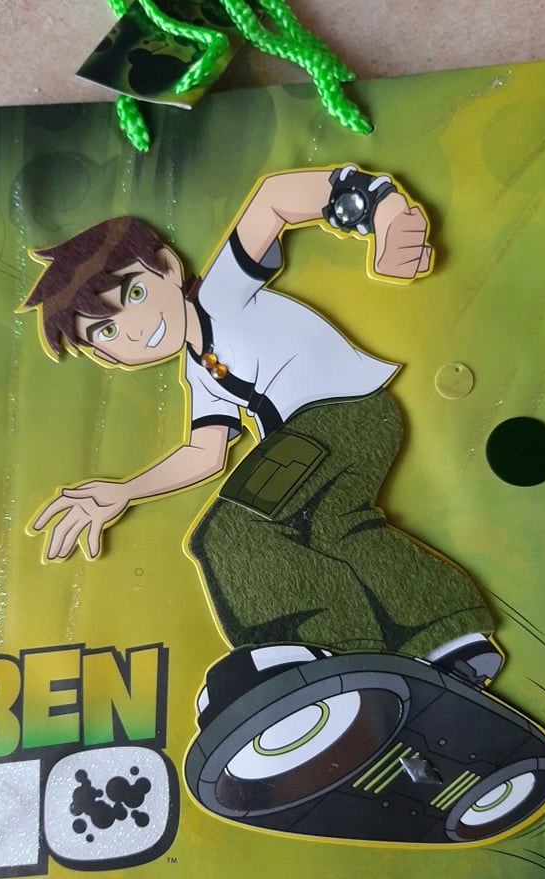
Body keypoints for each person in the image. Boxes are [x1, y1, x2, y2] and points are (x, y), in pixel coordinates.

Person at [24, 165, 500, 682]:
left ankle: (324, 648)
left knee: (230, 533)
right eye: (107, 331)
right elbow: (205, 453)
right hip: (343, 427)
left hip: (339, 415)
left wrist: (379, 207)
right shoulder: (198, 372)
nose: (135, 330)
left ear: (167, 266)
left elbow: (274, 199)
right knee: (334, 528)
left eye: (134, 295)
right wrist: (125, 491)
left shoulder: (222, 293)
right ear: (105, 356)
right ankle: (446, 635)